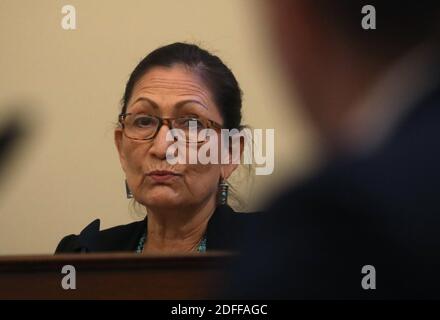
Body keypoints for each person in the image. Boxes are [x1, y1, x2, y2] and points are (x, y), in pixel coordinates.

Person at [230, 1, 440, 299]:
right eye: (145, 120)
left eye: (190, 122)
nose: (166, 144)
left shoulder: (336, 222)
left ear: (296, 15)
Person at [56, 43, 258, 254]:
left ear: (231, 152)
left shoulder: (275, 255)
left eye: (190, 123)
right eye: (144, 121)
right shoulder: (83, 256)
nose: (162, 148)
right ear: (121, 147)